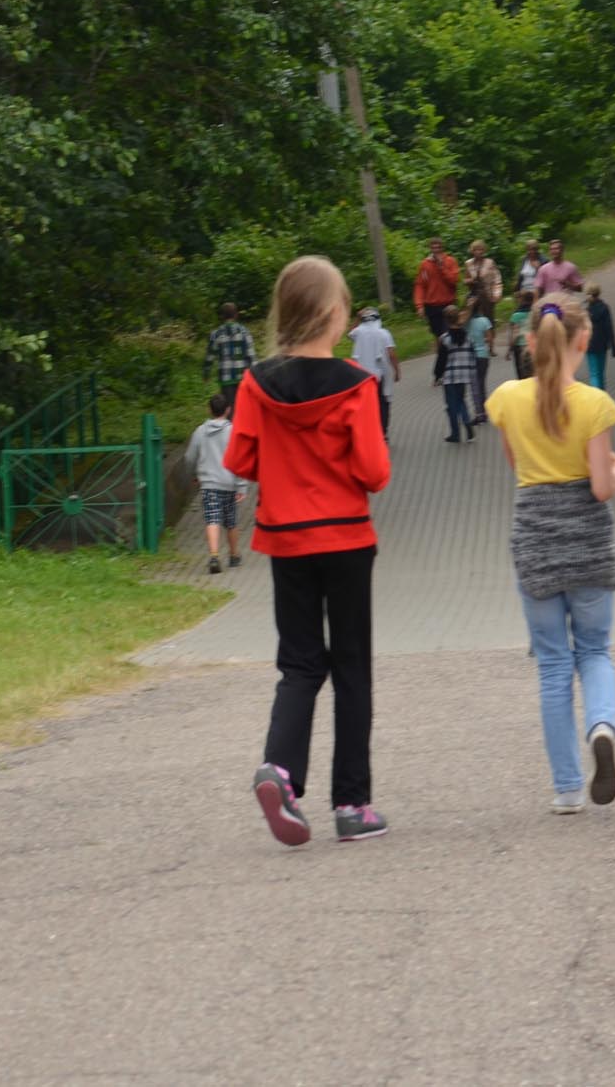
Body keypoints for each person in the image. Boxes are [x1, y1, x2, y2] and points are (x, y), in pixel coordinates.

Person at [226, 256, 392, 848]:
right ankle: (352, 804)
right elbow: (374, 473)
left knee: (298, 664)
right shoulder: (356, 384)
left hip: (287, 540)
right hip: (346, 539)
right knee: (351, 668)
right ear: (333, 313)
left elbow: (239, 460)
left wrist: (283, 463)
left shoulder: (255, 383)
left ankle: (280, 769)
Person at [486, 291, 615, 813]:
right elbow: (601, 487)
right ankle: (602, 727)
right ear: (583, 341)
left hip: (536, 541)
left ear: (530, 342)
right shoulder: (595, 404)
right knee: (594, 650)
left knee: (552, 664)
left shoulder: (505, 398)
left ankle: (567, 788)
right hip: (587, 543)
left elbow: (517, 465)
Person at [184, 391, 246, 573]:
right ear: (228, 410)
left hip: (209, 484)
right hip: (229, 483)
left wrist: (194, 474)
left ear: (209, 410)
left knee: (212, 519)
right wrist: (241, 485)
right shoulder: (233, 432)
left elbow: (189, 457)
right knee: (231, 521)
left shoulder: (200, 432)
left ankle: (214, 556)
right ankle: (234, 555)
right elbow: (240, 459)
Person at [347, 307, 401, 439]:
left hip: (362, 376)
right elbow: (391, 354)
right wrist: (396, 370)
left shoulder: (359, 332)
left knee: (366, 404)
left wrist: (357, 317)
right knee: (383, 402)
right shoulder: (384, 333)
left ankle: (368, 431)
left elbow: (349, 333)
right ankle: (383, 432)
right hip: (380, 375)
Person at [433, 305, 478, 444]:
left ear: (446, 320)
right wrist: (472, 372)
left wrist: (437, 376)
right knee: (461, 401)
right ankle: (468, 424)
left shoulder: (445, 339)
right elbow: (472, 355)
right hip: (464, 375)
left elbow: (441, 360)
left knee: (451, 406)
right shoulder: (468, 337)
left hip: (450, 377)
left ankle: (455, 434)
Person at [203, 302, 255, 410]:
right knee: (243, 407)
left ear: (222, 316)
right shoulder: (244, 332)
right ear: (236, 315)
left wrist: (206, 373)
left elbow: (209, 356)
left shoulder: (216, 334)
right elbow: (251, 356)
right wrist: (255, 376)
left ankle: (230, 421)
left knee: (229, 408)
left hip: (225, 378)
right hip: (243, 377)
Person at [414, 237, 460, 338]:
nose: (436, 251)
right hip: (432, 305)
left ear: (442, 248)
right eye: (433, 248)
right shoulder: (425, 264)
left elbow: (454, 281)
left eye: (438, 248)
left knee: (448, 332)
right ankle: (440, 348)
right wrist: (419, 306)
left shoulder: (450, 261)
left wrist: (441, 267)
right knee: (438, 334)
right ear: (430, 249)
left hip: (448, 304)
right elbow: (420, 285)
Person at [467, 293, 496, 423]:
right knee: (481, 384)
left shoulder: (466, 322)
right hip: (483, 356)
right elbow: (490, 338)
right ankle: (484, 411)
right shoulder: (485, 321)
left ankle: (480, 413)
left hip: (470, 356)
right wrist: (489, 349)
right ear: (480, 307)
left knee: (475, 386)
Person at [584, 281, 615, 390]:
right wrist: (613, 347)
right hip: (602, 344)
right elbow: (609, 327)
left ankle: (596, 395)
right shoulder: (604, 308)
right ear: (599, 293)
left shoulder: (586, 311)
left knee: (594, 373)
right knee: (601, 373)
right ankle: (602, 394)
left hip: (589, 344)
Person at [464, 239, 503, 307]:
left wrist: (497, 293)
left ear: (484, 251)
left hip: (488, 295)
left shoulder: (490, 262)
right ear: (472, 251)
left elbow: (497, 279)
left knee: (488, 312)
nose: (478, 252)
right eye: (476, 250)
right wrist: (471, 280)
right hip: (474, 295)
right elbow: (465, 280)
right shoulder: (468, 263)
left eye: (480, 250)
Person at [508, 289, 535, 380]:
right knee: (533, 372)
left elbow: (515, 334)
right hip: (532, 345)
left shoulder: (516, 315)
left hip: (519, 347)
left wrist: (509, 349)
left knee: (521, 373)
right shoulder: (535, 314)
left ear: (522, 300)